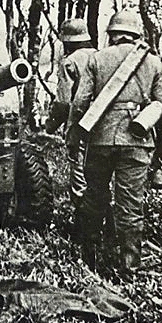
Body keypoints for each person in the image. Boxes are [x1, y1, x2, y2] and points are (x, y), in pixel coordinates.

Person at [70, 10, 162, 276]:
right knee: (130, 205)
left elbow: (80, 103)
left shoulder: (96, 59)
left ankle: (88, 262)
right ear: (136, 34)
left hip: (101, 139)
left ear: (112, 34)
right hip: (137, 141)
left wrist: (74, 136)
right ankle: (128, 268)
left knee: (94, 198)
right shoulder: (153, 62)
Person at [45, 18, 97, 205]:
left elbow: (64, 102)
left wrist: (50, 126)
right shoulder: (101, 56)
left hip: (81, 121)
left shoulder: (70, 62)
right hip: (104, 122)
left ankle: (82, 219)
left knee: (79, 169)